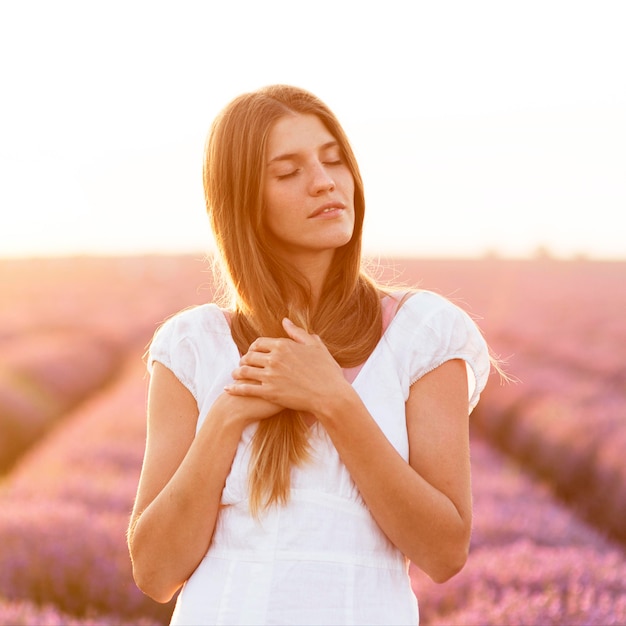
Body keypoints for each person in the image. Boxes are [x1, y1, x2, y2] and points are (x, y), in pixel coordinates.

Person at [127, 84, 492, 626]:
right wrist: (228, 414)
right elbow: (155, 573)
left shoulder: (423, 334)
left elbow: (444, 552)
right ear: (244, 200)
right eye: (288, 171)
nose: (324, 182)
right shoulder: (192, 345)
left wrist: (333, 399)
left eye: (333, 159)